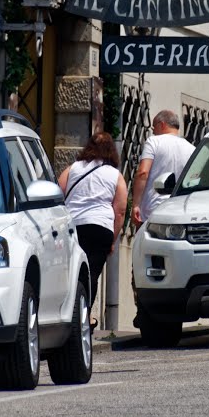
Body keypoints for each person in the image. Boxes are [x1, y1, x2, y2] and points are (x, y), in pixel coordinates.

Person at [58, 132, 128, 322]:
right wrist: (112, 239)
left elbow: (58, 193)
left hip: (74, 227)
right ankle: (84, 317)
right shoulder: (115, 175)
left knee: (73, 272)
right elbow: (120, 211)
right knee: (92, 274)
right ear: (111, 151)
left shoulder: (72, 169)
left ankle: (69, 314)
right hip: (101, 229)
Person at [131, 110, 195, 227]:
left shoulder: (154, 141)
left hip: (153, 209)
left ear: (162, 124)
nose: (153, 131)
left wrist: (136, 204)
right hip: (179, 209)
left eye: (154, 127)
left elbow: (143, 173)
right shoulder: (192, 149)